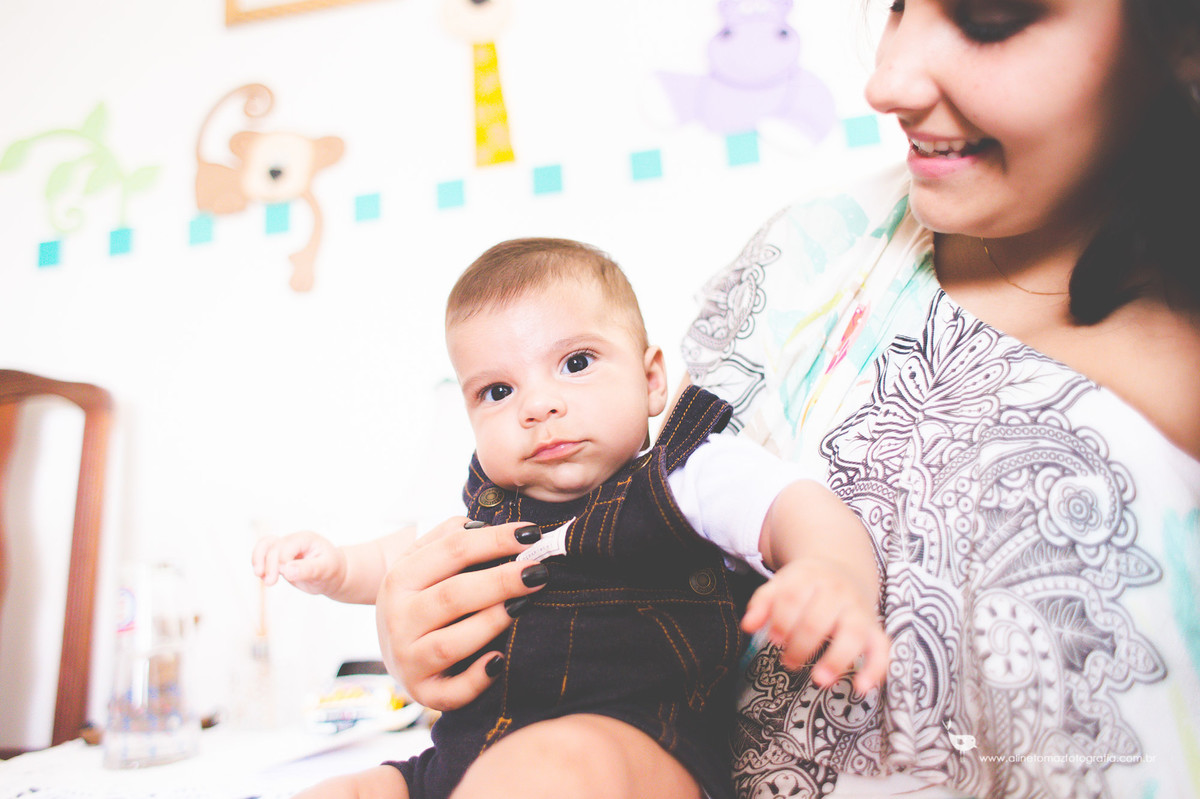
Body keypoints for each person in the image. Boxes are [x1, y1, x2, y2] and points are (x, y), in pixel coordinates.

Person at [371, 0, 1200, 797]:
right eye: (900, 5)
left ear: (1178, 37)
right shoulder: (816, 260)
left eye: (990, 19)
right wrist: (421, 615)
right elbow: (661, 501)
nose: (888, 81)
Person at [253, 238, 889, 799]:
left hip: (637, 753)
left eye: (576, 363)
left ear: (651, 380)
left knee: (548, 767)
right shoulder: (487, 513)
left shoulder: (685, 478)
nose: (538, 405)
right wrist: (337, 569)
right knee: (343, 790)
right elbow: (404, 561)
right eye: (497, 391)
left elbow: (791, 508)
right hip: (460, 762)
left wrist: (832, 572)